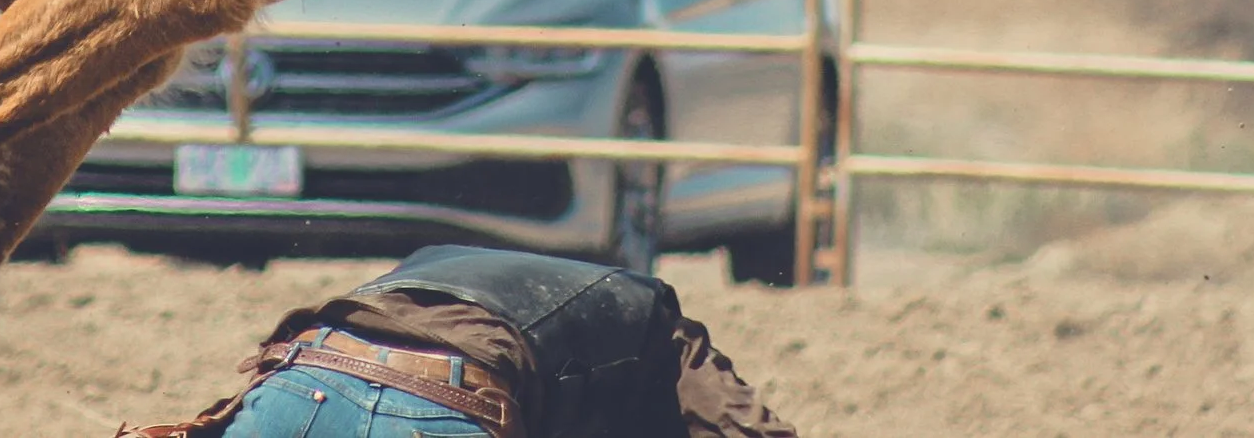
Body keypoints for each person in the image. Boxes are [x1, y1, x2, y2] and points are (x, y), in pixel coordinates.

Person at [120, 245, 800, 438]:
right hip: (445, 402)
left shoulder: (431, 259)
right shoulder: (661, 327)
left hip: (301, 377)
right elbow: (749, 427)